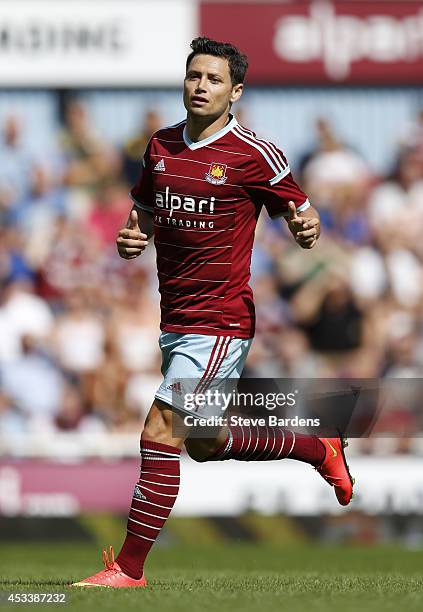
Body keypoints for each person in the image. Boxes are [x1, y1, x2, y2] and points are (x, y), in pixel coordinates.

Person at [73, 37, 353, 589]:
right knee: (204, 442)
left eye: (214, 79)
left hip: (221, 322)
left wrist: (307, 227)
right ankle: (318, 446)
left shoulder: (253, 154)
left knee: (161, 427)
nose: (201, 86)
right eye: (193, 76)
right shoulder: (159, 147)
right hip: (174, 321)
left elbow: (300, 210)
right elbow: (144, 216)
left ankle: (127, 571)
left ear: (236, 92)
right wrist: (134, 238)